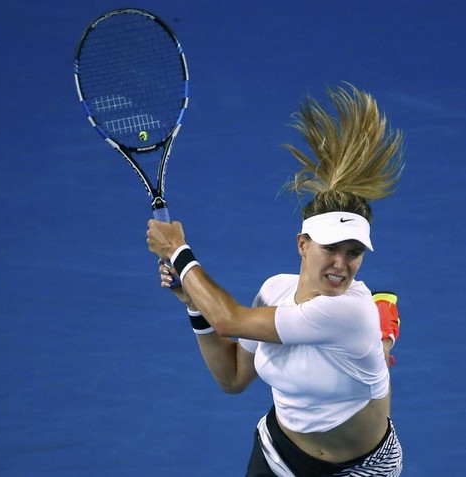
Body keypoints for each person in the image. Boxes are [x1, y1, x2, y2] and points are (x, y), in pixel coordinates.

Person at [146, 84, 405, 476]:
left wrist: (178, 251)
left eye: (354, 252)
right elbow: (233, 378)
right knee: (372, 356)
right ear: (302, 244)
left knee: (373, 352)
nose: (341, 264)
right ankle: (383, 333)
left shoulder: (348, 312)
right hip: (278, 456)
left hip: (361, 470)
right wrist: (195, 305)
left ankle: (382, 332)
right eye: (330, 248)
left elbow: (228, 320)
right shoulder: (274, 291)